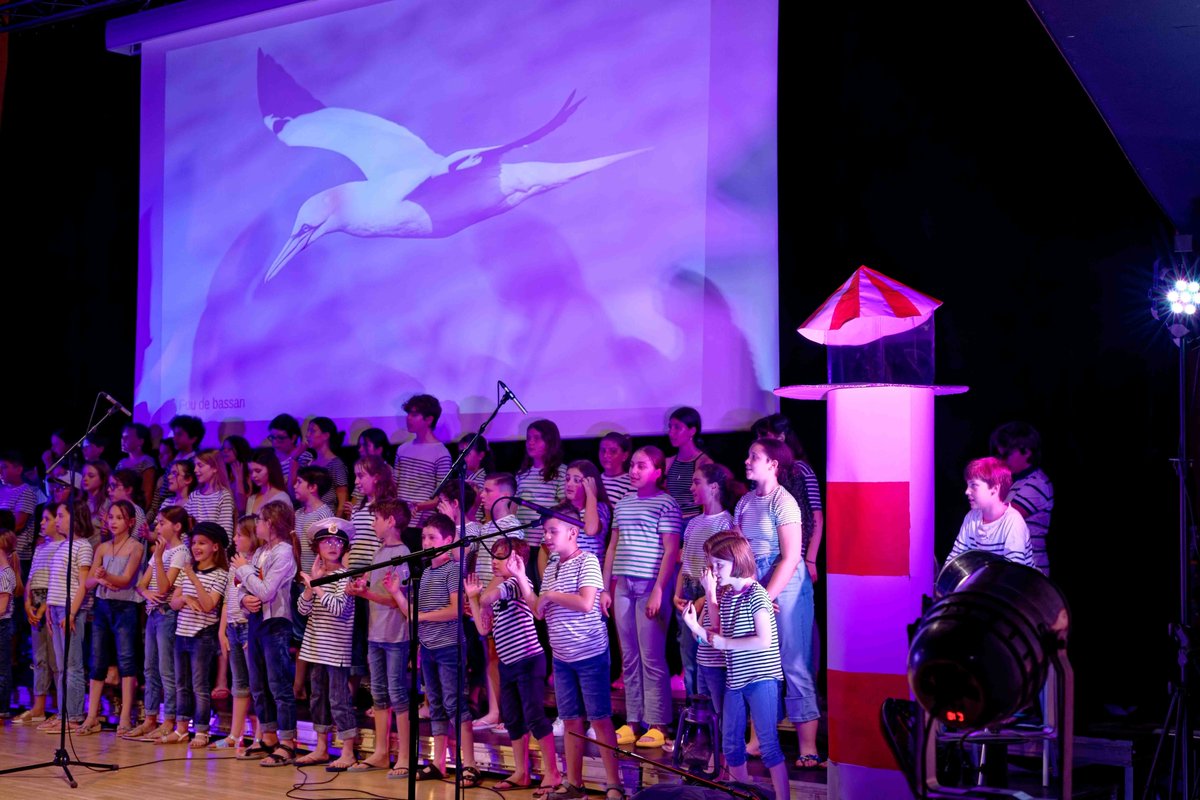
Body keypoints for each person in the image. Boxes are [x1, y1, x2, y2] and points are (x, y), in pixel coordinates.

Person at [516, 510, 623, 800]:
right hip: (562, 657)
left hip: (590, 653)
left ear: (572, 533)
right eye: (545, 532)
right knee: (571, 719)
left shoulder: (587, 561)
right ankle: (574, 784)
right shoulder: (551, 567)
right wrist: (521, 578)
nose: (546, 538)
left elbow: (587, 602)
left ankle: (614, 784)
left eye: (552, 532)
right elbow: (539, 610)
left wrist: (550, 596)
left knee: (600, 719)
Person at [681, 531, 789, 800]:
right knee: (730, 745)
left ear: (737, 561)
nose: (714, 571)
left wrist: (724, 643)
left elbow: (763, 640)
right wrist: (700, 616)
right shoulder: (727, 596)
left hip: (761, 678)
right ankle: (745, 794)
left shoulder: (757, 594)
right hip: (736, 680)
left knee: (769, 745)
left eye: (719, 565)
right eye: (712, 565)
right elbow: (716, 633)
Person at [736, 437, 821, 768]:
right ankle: (758, 741)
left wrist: (764, 597)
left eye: (754, 456)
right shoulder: (744, 502)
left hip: (785, 587)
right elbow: (740, 553)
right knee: (757, 664)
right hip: (756, 583)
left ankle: (808, 748)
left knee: (793, 662)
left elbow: (790, 558)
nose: (746, 460)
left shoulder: (784, 502)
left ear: (773, 464)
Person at [387, 513, 479, 785]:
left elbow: (454, 611)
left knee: (455, 703)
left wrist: (423, 618)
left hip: (449, 645)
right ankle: (439, 762)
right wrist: (395, 593)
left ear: (448, 541)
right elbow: (412, 614)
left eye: (432, 538)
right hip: (428, 647)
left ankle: (470, 764)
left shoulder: (453, 568)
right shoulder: (426, 572)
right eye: (424, 537)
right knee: (436, 704)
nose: (426, 542)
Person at [465, 540, 563, 793]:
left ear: (517, 560)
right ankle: (521, 772)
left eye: (500, 557)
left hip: (528, 661)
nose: (494, 562)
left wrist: (479, 596)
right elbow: (483, 628)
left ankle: (553, 773)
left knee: (534, 716)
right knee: (513, 719)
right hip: (508, 663)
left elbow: (488, 597)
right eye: (494, 557)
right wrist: (473, 600)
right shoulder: (500, 589)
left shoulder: (518, 584)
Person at [604, 446, 682, 748]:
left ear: (658, 471)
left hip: (651, 585)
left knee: (651, 657)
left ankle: (659, 722)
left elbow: (671, 550)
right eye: (632, 465)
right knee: (629, 657)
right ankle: (633, 720)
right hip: (623, 585)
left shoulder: (666, 504)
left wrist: (659, 591)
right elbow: (613, 546)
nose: (634, 471)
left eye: (642, 466)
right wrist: (605, 587)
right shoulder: (623, 503)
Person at [345, 498, 412, 777]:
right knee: (380, 694)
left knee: (397, 694)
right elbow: (378, 589)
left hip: (395, 635)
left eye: (376, 519)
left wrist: (365, 593)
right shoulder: (380, 551)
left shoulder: (402, 553)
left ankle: (406, 756)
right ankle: (382, 752)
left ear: (391, 521)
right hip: (376, 633)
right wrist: (364, 585)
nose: (373, 524)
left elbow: (396, 600)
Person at [231, 500, 299, 767]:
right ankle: (268, 736)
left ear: (271, 524)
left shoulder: (283, 553)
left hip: (276, 625)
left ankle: (288, 742)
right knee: (258, 684)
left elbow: (267, 590)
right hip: (257, 622)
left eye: (260, 520)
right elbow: (243, 588)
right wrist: (241, 600)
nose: (256, 524)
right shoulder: (260, 553)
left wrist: (243, 570)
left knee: (279, 685)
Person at [296, 518, 359, 770]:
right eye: (327, 541)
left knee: (339, 699)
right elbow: (302, 610)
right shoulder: (317, 576)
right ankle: (321, 747)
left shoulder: (345, 577)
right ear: (317, 547)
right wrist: (310, 588)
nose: (333, 546)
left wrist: (317, 587)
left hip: (336, 651)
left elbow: (338, 610)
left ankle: (348, 751)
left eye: (338, 541)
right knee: (317, 698)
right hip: (315, 648)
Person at [76, 500, 143, 736]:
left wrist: (108, 576)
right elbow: (89, 581)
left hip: (125, 607)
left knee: (126, 659)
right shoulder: (102, 548)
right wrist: (100, 579)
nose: (113, 522)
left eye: (119, 518)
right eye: (111, 517)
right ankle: (92, 715)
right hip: (103, 606)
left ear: (131, 522)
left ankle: (125, 716)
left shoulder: (136, 547)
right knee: (97, 660)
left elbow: (126, 579)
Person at [125, 506, 190, 741]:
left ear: (177, 526)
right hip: (153, 611)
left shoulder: (181, 552)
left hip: (167, 615)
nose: (157, 527)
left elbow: (164, 587)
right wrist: (146, 593)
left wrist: (160, 559)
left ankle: (169, 719)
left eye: (162, 523)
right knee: (149, 668)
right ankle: (150, 718)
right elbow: (141, 584)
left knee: (166, 669)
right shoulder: (159, 552)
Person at [165, 521, 229, 748]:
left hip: (202, 636)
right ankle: (182, 728)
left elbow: (209, 604)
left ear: (215, 547)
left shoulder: (220, 575)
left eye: (202, 543)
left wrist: (193, 578)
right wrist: (184, 599)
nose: (196, 547)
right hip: (181, 633)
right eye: (194, 543)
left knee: (199, 686)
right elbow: (173, 603)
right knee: (181, 684)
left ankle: (202, 730)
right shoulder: (186, 572)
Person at [673, 463, 735, 697]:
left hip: (709, 590)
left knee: (709, 656)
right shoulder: (694, 523)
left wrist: (704, 598)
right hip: (689, 588)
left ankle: (713, 715)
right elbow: (685, 561)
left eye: (697, 482)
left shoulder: (725, 522)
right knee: (688, 655)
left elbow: (724, 568)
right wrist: (677, 594)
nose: (691, 488)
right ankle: (694, 714)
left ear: (714, 487)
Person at [41, 500, 95, 730]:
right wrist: (49, 611)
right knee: (62, 666)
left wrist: (72, 612)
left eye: (62, 515)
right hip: (56, 607)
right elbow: (55, 581)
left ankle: (73, 716)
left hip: (71, 609)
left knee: (73, 665)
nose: (58, 520)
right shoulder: (63, 545)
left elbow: (83, 584)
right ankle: (63, 713)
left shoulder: (83, 546)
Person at [212, 515, 264, 755]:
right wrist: (222, 630)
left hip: (248, 627)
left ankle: (262, 736)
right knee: (239, 684)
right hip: (233, 626)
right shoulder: (235, 563)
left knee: (257, 684)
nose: (234, 539)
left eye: (239, 535)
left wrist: (253, 634)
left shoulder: (258, 563)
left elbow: (260, 597)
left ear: (252, 536)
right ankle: (235, 734)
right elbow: (226, 601)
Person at [14, 507, 59, 725]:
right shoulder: (41, 548)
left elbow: (56, 580)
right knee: (39, 658)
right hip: (35, 602)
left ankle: (62, 709)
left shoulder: (62, 548)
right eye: (41, 519)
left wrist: (42, 608)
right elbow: (31, 577)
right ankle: (38, 707)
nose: (42, 523)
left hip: (51, 604)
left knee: (55, 659)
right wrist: (27, 604)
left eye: (47, 519)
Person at [990, 421, 1054, 575]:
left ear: (1027, 452)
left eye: (1005, 455)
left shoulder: (1036, 483)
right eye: (998, 455)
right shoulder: (1018, 482)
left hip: (1029, 573)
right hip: (1015, 570)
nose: (1000, 460)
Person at [945, 456, 1034, 568]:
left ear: (994, 489)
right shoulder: (971, 518)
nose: (967, 491)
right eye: (967, 485)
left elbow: (1013, 575)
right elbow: (955, 558)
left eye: (974, 485)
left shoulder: (1013, 522)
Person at [392, 394, 452, 535]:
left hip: (422, 525)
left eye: (414, 414)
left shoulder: (441, 453)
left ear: (429, 419)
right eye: (408, 414)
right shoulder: (402, 449)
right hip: (399, 522)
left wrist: (418, 506)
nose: (408, 418)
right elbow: (394, 486)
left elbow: (441, 498)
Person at [516, 419, 567, 576]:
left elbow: (563, 507)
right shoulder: (522, 473)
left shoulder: (560, 472)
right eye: (529, 438)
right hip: (524, 544)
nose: (531, 443)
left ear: (549, 442)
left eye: (537, 438)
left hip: (546, 545)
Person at [664, 407, 714, 520]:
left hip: (693, 520)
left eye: (677, 427)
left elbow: (708, 501)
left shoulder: (703, 462)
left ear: (692, 431)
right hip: (671, 521)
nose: (671, 433)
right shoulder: (668, 462)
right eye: (670, 427)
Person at [297, 417, 350, 517]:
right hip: (307, 517)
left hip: (326, 519)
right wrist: (295, 457)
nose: (308, 435)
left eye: (312, 431)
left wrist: (335, 525)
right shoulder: (310, 463)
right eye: (308, 431)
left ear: (326, 435)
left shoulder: (336, 464)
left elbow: (342, 501)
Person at [564, 459, 612, 560]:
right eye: (567, 479)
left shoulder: (600, 508)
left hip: (589, 572)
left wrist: (591, 494)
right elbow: (545, 548)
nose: (569, 484)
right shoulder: (561, 510)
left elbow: (590, 530)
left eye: (576, 480)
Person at [185, 450, 236, 540]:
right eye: (195, 466)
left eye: (200, 466)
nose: (195, 470)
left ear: (215, 468)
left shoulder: (223, 496)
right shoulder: (194, 496)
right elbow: (185, 531)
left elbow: (225, 534)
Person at [116, 424, 157, 516]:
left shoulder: (147, 462)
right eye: (122, 437)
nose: (123, 440)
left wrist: (134, 515)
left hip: (134, 513)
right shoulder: (121, 463)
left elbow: (147, 495)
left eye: (127, 437)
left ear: (140, 441)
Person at [0, 529, 19, 718]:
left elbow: (2, 607)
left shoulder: (5, 575)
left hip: (2, 626)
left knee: (2, 667)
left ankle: (2, 707)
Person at [266, 414, 305, 495]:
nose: (275, 442)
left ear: (293, 438)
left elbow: (296, 492)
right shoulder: (268, 458)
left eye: (280, 438)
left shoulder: (303, 457)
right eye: (272, 438)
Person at [245, 447, 291, 515]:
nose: (253, 475)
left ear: (270, 469)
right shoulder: (252, 498)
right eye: (250, 472)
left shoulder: (282, 499)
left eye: (258, 471)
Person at [221, 435, 254, 516]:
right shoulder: (225, 473)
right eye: (223, 448)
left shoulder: (250, 474)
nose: (224, 451)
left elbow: (242, 508)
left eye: (229, 449)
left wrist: (239, 479)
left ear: (240, 450)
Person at [598, 432, 633, 504]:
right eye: (603, 451)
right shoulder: (594, 480)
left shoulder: (631, 483)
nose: (606, 455)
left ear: (625, 456)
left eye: (613, 451)